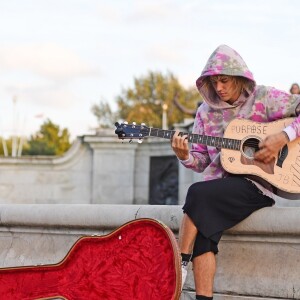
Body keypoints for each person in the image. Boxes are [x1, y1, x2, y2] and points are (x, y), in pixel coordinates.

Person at [171, 45, 300, 300]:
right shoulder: (204, 113)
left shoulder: (265, 98)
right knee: (204, 234)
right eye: (213, 81)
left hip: (256, 186)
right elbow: (201, 160)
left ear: (239, 77)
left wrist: (282, 138)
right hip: (218, 189)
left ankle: (177, 265)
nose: (218, 87)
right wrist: (184, 155)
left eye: (224, 80)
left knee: (197, 193)